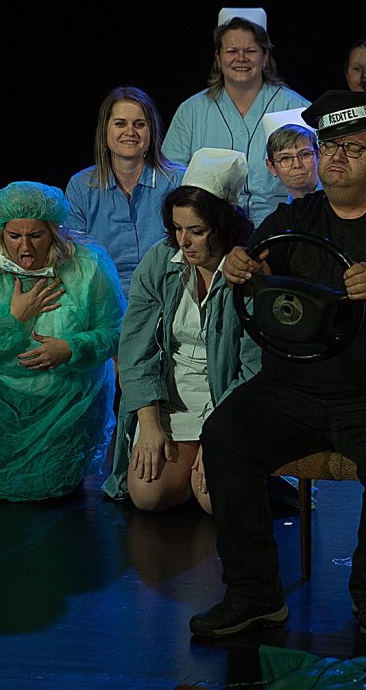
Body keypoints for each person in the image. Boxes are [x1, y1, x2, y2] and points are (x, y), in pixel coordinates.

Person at [194, 90, 366, 640]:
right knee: (225, 435)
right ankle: (254, 594)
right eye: (329, 145)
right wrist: (242, 266)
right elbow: (258, 265)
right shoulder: (294, 217)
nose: (336, 156)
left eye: (352, 148)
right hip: (294, 387)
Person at [0, 182, 126, 501]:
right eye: (14, 236)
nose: (25, 247)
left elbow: (116, 330)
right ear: (1, 233)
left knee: (49, 491)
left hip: (66, 402)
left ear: (54, 231)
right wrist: (13, 319)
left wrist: (71, 349)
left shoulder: (87, 266)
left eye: (36, 235)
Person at [104, 149, 262, 510]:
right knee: (148, 495)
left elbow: (254, 367)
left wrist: (220, 434)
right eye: (177, 229)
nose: (183, 241)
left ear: (224, 226)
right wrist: (149, 424)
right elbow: (136, 348)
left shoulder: (248, 271)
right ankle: (185, 469)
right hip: (171, 398)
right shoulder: (160, 262)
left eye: (196, 231)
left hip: (229, 401)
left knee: (215, 500)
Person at [164, 8, 312, 227]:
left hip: (283, 227)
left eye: (250, 51)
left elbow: (317, 176)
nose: (241, 58)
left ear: (265, 57)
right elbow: (171, 178)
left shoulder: (296, 107)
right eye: (232, 51)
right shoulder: (191, 111)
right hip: (213, 230)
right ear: (218, 57)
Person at [65, 87, 186, 298]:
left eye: (139, 124)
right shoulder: (80, 186)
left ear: (151, 131)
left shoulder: (178, 181)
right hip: (103, 298)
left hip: (168, 294)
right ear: (105, 129)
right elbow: (75, 261)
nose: (130, 132)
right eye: (120, 123)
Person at [263, 110, 320, 202]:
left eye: (305, 154)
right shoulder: (286, 209)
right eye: (285, 158)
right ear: (271, 167)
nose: (297, 165)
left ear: (318, 156)